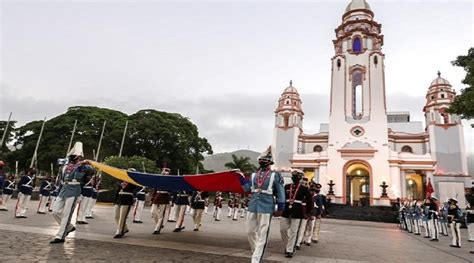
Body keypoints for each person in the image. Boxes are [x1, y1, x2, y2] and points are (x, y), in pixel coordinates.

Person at [240, 152, 285, 263]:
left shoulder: (275, 175)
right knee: (249, 231)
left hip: (267, 205)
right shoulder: (254, 175)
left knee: (262, 233)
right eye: (261, 160)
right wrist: (241, 177)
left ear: (269, 162)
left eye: (265, 160)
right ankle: (256, 253)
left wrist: (281, 207)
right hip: (253, 205)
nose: (262, 162)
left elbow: (280, 192)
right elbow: (246, 189)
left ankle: (255, 259)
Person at [50, 142, 95, 244]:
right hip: (64, 189)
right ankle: (69, 227)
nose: (73, 157)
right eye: (72, 156)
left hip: (74, 190)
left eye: (75, 156)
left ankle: (60, 236)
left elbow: (92, 171)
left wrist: (87, 163)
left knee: (66, 214)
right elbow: (62, 177)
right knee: (55, 211)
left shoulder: (83, 166)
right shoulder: (66, 166)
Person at [280, 169, 312, 258]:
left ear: (300, 177)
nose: (294, 177)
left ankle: (290, 250)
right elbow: (282, 197)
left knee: (294, 231)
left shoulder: (304, 188)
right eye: (293, 175)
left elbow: (309, 200)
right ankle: (288, 245)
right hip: (286, 209)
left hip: (297, 211)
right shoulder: (286, 186)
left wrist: (309, 212)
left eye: (296, 176)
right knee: (283, 229)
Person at [151, 167, 171, 234]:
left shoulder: (170, 181)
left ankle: (157, 229)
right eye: (163, 171)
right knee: (153, 212)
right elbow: (155, 189)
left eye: (166, 172)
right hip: (157, 197)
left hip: (164, 197)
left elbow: (171, 190)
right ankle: (159, 224)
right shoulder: (158, 179)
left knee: (161, 215)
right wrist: (152, 199)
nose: (164, 172)